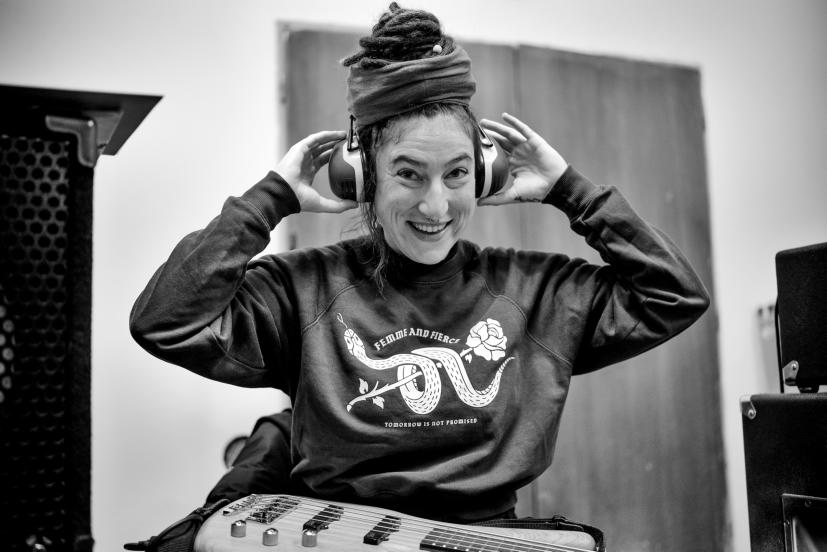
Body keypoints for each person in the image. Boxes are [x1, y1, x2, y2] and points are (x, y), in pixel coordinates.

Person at [130, 0, 708, 532]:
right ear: (362, 177)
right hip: (337, 537)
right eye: (408, 174)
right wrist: (267, 201)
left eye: (457, 174)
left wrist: (572, 191)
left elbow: (675, 295)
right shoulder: (303, 290)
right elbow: (165, 321)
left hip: (487, 540)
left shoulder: (536, 292)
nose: (436, 206)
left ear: (483, 175)